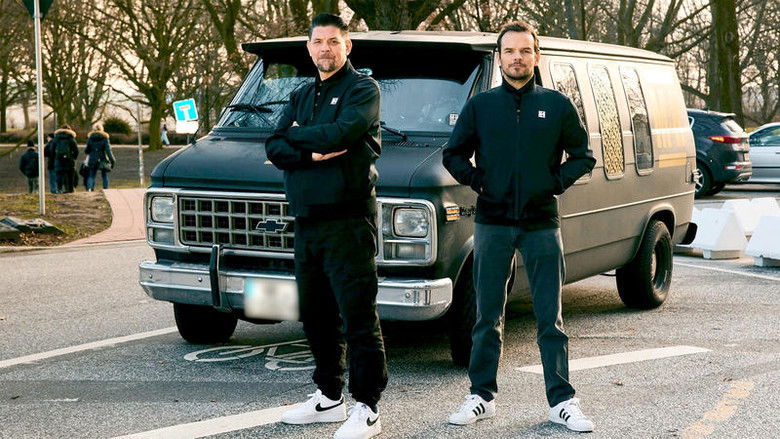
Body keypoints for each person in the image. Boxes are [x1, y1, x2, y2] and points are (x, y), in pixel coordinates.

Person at [442, 20, 597, 432]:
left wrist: (552, 183)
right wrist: (479, 181)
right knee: (486, 316)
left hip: (541, 223)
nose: (517, 58)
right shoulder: (481, 106)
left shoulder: (557, 105)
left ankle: (561, 402)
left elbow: (584, 157)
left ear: (536, 56)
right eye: (509, 51)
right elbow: (453, 155)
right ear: (500, 57)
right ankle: (481, 396)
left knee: (551, 318)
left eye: (525, 51)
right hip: (492, 223)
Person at [265, 13, 386, 439]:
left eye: (333, 41)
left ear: (347, 46)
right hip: (306, 221)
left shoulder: (363, 89)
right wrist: (309, 151)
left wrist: (299, 136)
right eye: (318, 42)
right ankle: (329, 397)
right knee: (316, 316)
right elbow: (273, 144)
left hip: (348, 221)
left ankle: (367, 407)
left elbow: (344, 133)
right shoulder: (300, 94)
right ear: (309, 48)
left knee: (357, 317)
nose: (325, 49)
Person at [84, 123, 116, 191]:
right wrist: (112, 160)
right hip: (102, 158)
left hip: (92, 158)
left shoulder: (90, 138)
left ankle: (89, 189)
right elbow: (108, 151)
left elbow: (86, 150)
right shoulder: (105, 138)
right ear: (102, 129)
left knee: (91, 175)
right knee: (104, 175)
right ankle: (106, 189)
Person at [52, 125, 79, 193]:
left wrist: (55, 157)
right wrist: (73, 157)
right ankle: (70, 189)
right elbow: (76, 150)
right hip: (69, 160)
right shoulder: (71, 138)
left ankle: (59, 189)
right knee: (70, 175)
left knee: (59, 174)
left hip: (58, 159)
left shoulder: (56, 138)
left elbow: (52, 149)